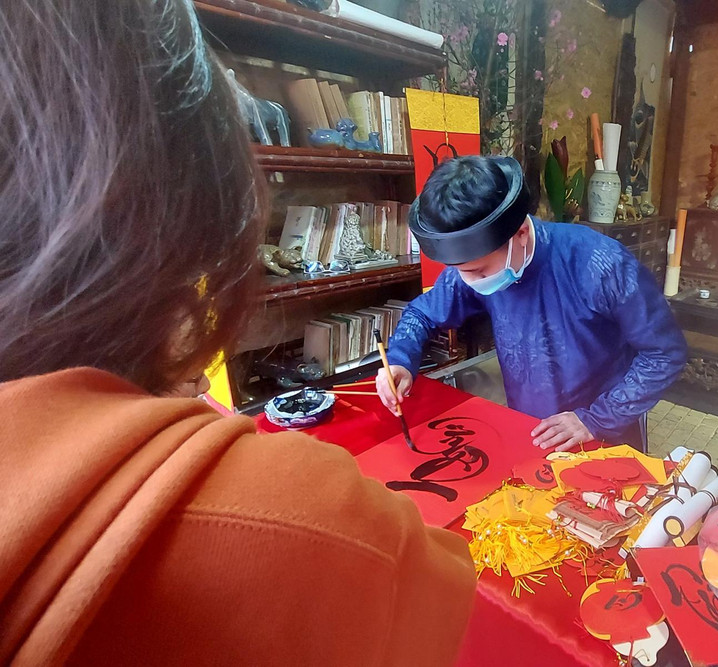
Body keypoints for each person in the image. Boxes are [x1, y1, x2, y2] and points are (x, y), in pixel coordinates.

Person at [0, 1, 474, 664]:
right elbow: (424, 311)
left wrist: (591, 413)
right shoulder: (310, 516)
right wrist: (397, 357)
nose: (473, 271)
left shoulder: (593, 266)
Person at [377, 156, 687, 452]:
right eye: (459, 270)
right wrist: (401, 359)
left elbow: (664, 352)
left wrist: (597, 419)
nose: (467, 280)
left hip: (601, 431)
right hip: (528, 428)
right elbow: (422, 313)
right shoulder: (475, 263)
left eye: (479, 271)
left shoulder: (599, 263)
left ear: (521, 233)